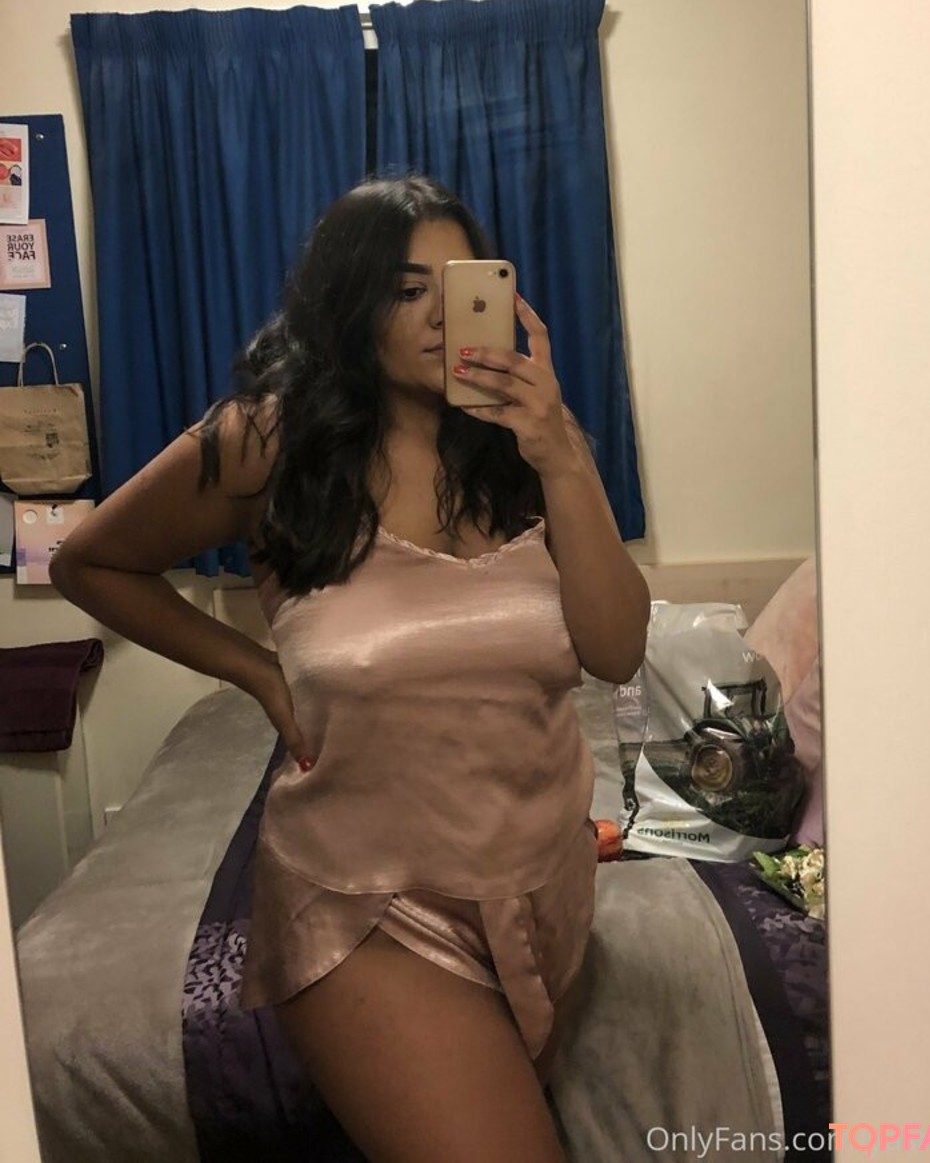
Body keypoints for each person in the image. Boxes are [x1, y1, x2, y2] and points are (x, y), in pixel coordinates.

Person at [49, 175, 651, 1163]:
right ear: (350, 302)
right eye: (408, 290)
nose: (440, 315)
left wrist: (561, 454)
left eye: (462, 286)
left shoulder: (525, 448)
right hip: (368, 902)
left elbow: (617, 649)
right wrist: (256, 671)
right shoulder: (271, 440)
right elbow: (91, 562)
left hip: (542, 883)